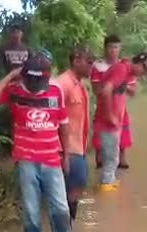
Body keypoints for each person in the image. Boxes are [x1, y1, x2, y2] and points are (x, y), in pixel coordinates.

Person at [0, 52, 74, 232]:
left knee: (60, 207)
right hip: (26, 161)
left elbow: (64, 125)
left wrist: (66, 155)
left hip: (52, 159)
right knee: (31, 209)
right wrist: (10, 75)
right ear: (24, 75)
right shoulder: (14, 90)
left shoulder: (56, 91)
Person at [95, 52, 147, 191]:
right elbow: (105, 91)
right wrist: (110, 116)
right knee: (110, 159)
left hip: (113, 123)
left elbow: (125, 91)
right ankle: (106, 188)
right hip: (108, 123)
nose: (143, 75)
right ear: (140, 64)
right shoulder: (122, 69)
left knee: (113, 157)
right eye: (144, 71)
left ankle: (109, 182)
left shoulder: (126, 71)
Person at [56, 46, 95, 222]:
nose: (91, 66)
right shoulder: (63, 83)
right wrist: (61, 150)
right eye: (88, 62)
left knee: (76, 186)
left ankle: (68, 224)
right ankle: (65, 225)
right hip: (67, 148)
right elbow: (52, 113)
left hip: (79, 146)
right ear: (76, 61)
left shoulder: (79, 84)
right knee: (75, 186)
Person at [91, 35, 138, 169]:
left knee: (123, 140)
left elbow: (133, 91)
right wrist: (111, 85)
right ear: (105, 48)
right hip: (103, 107)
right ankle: (101, 164)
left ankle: (120, 163)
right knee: (100, 143)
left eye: (116, 47)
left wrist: (120, 85)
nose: (113, 50)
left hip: (121, 107)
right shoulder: (98, 66)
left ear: (120, 48)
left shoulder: (125, 66)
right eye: (110, 47)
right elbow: (96, 90)